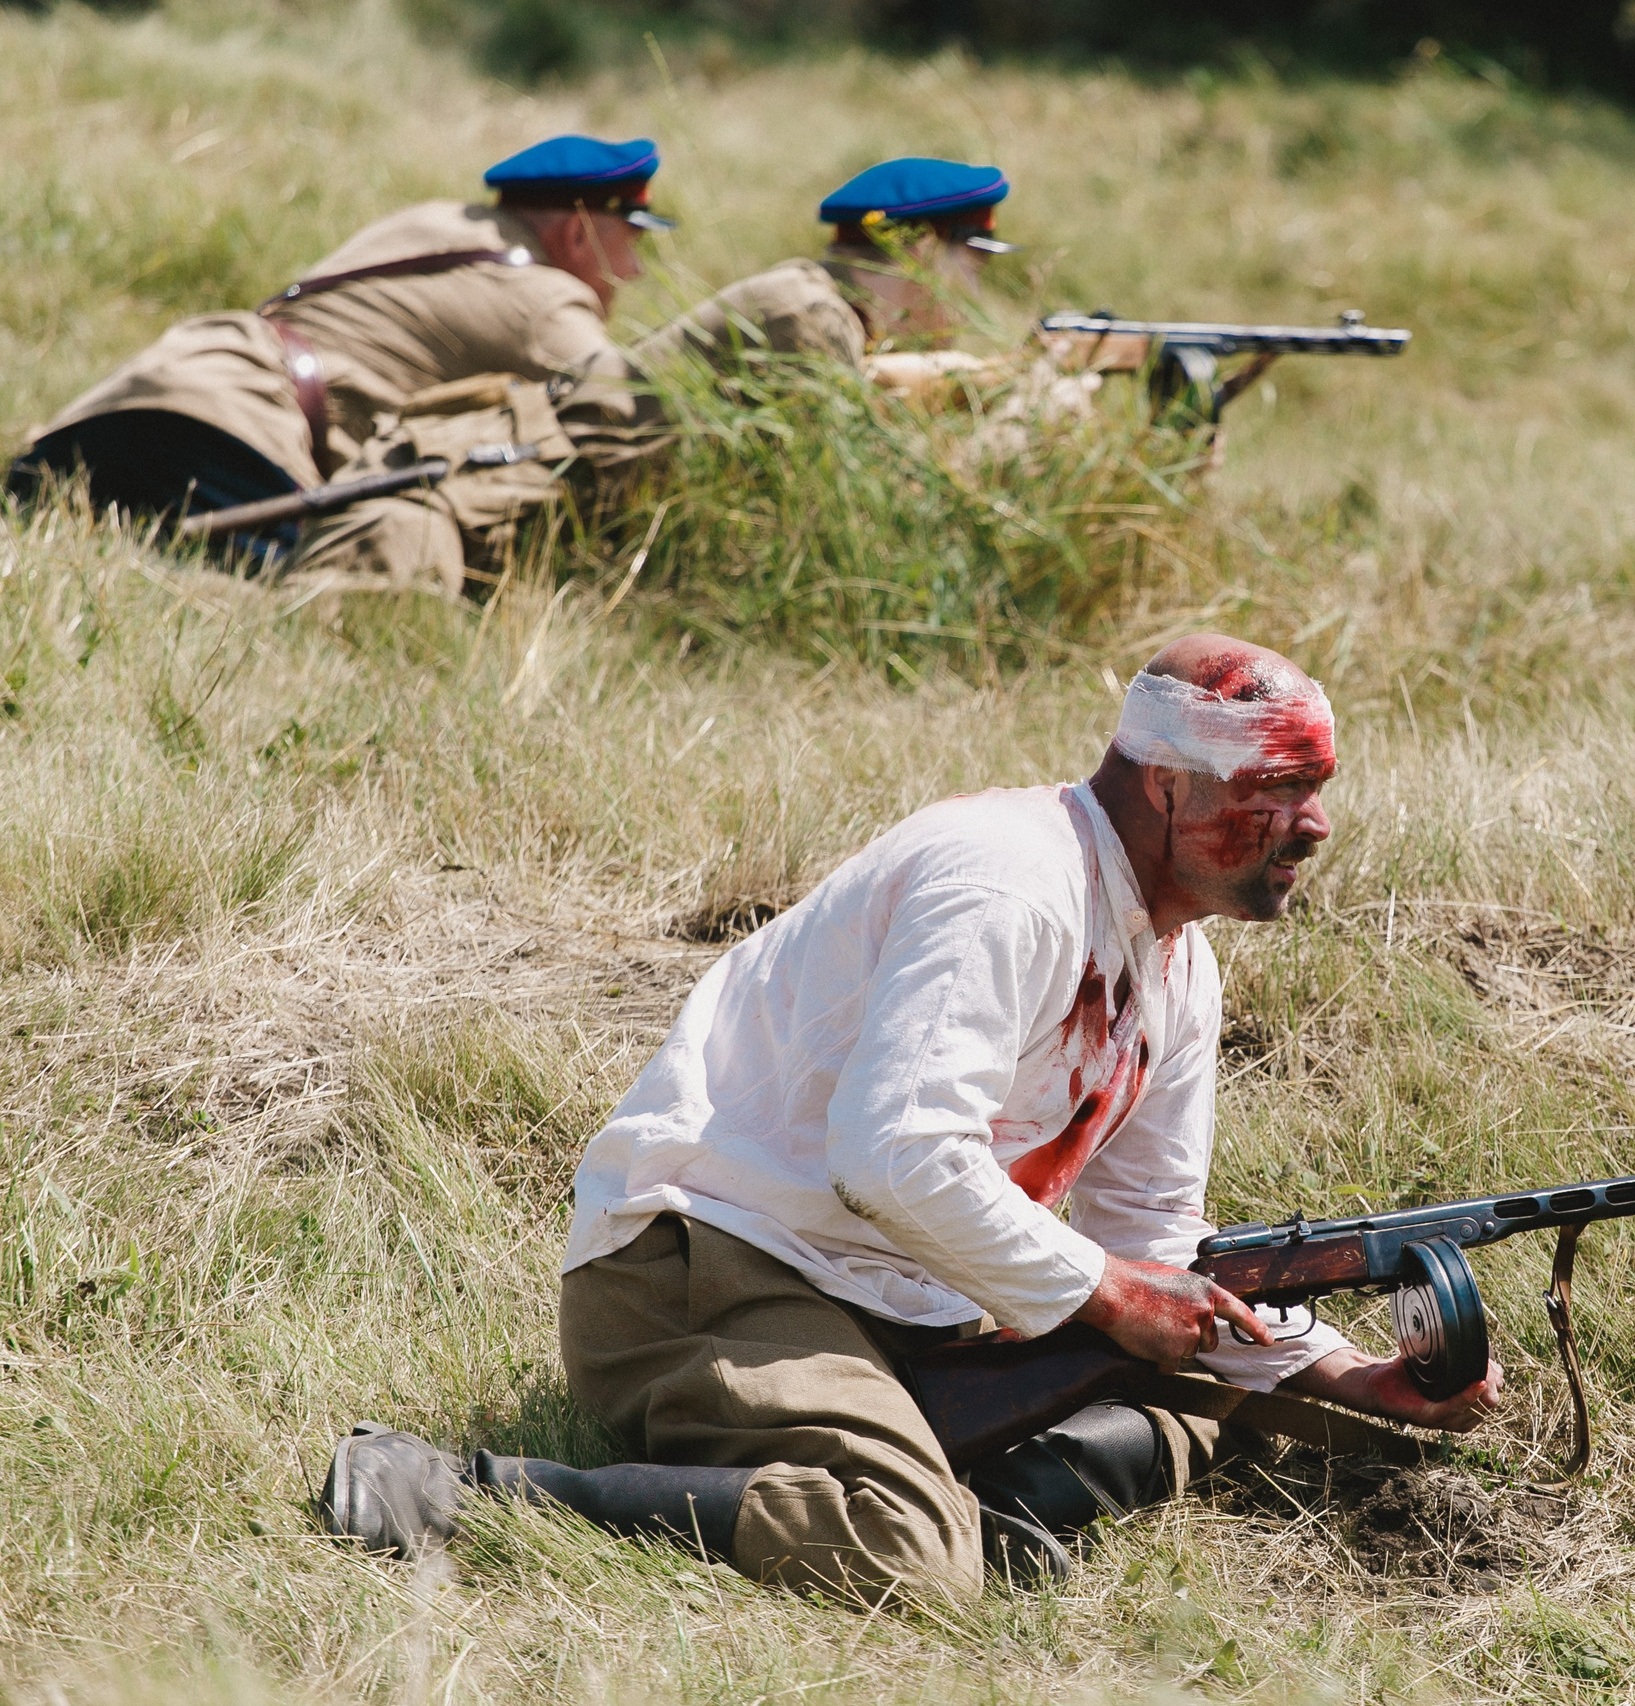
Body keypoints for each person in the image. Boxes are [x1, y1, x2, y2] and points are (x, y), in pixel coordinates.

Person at [316, 635, 1502, 1602]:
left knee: (1226, 1377)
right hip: (710, 1268)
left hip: (908, 1301)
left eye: (1315, 790)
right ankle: (465, 1485)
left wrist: (1344, 1372)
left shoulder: (1177, 970)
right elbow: (890, 1157)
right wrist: (1108, 1295)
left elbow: (1156, 1242)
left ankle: (1016, 1489)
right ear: (1170, 783)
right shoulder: (1007, 879)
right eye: (1280, 786)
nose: (1314, 822)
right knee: (912, 1557)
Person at [7, 135, 863, 595]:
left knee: (75, 575)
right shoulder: (542, 299)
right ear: (574, 229)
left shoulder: (440, 223)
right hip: (239, 439)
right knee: (241, 613)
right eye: (628, 242)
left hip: (128, 402)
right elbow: (621, 410)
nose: (633, 273)